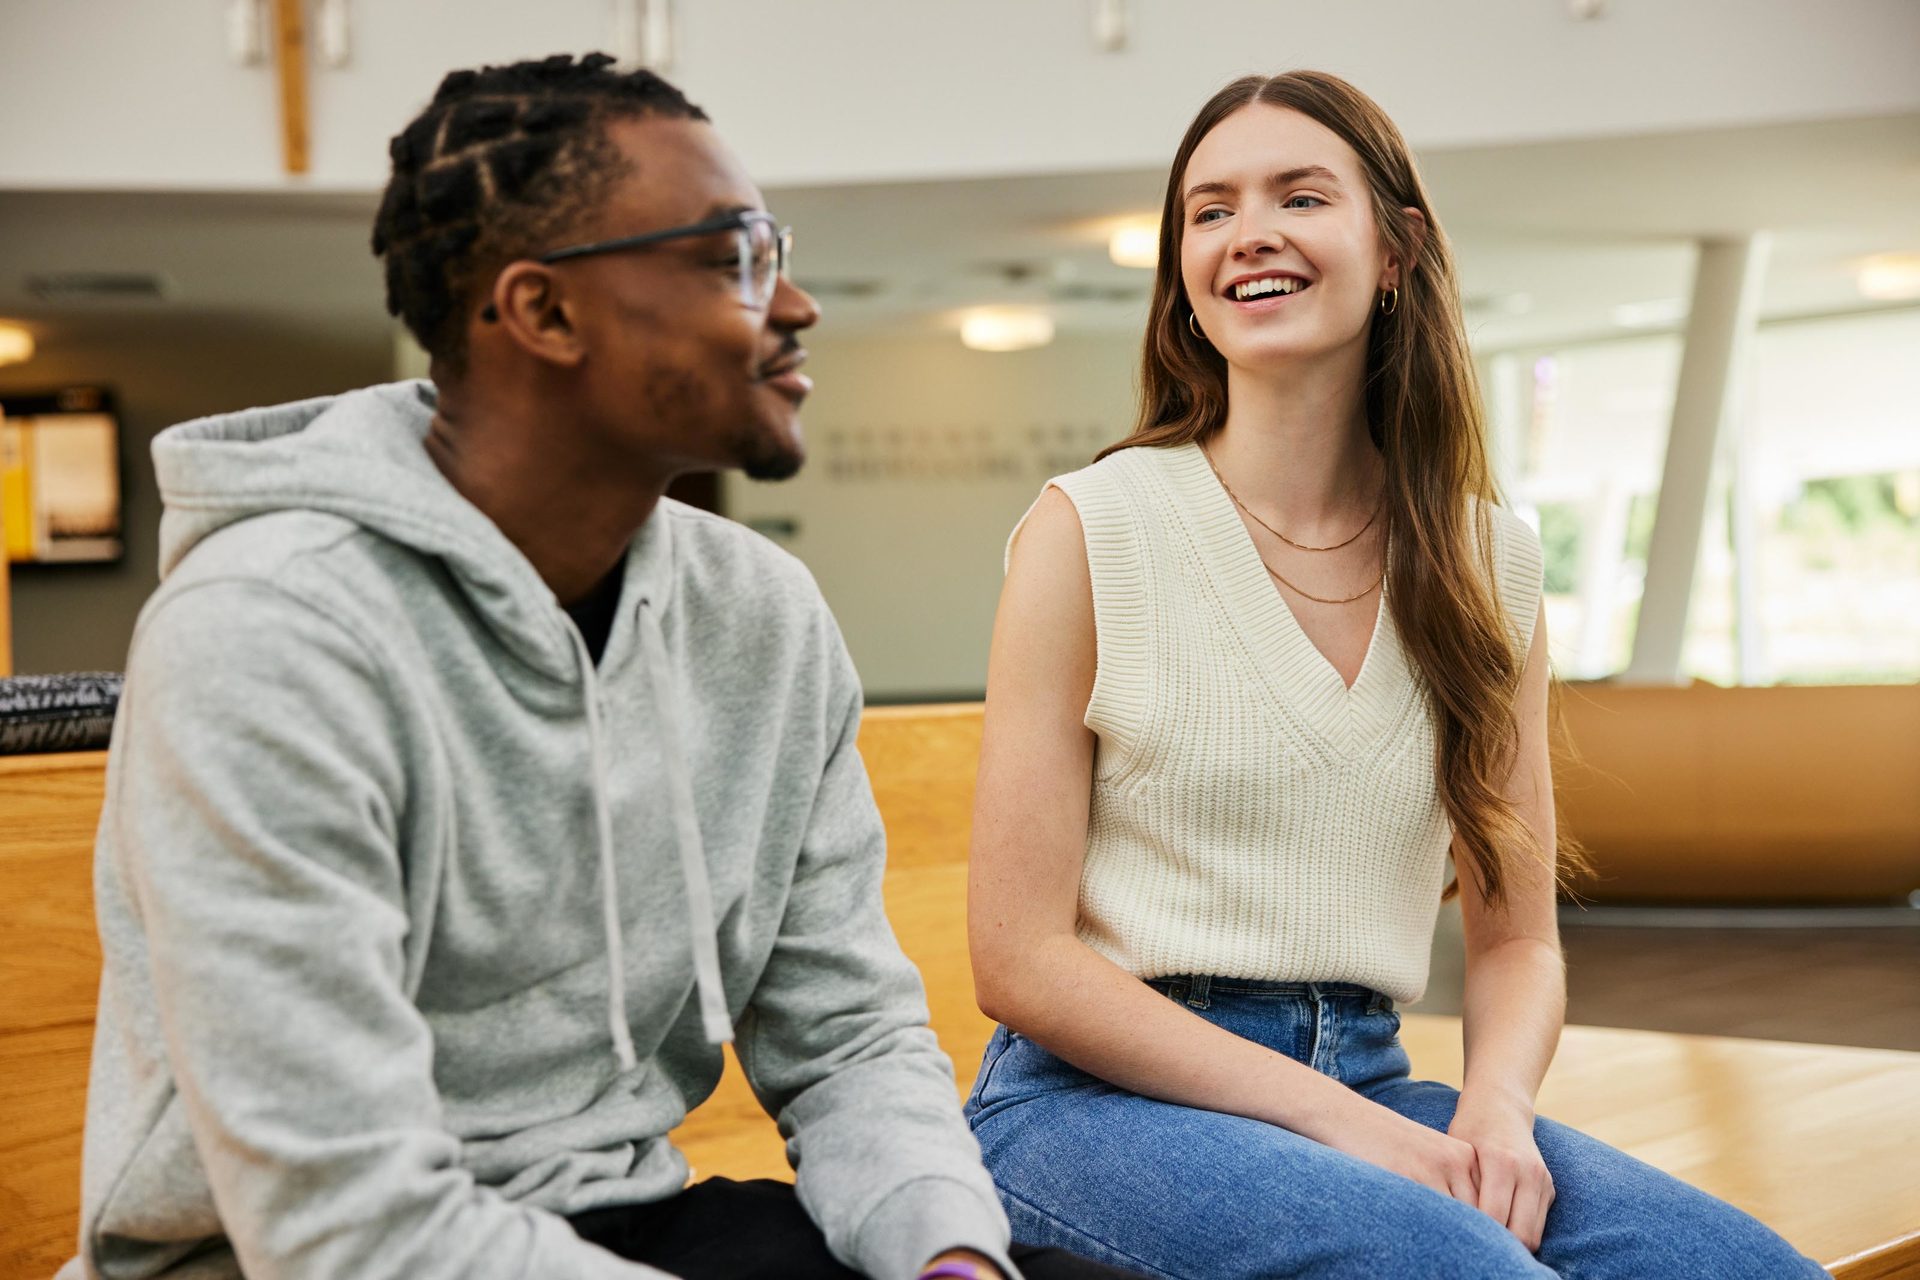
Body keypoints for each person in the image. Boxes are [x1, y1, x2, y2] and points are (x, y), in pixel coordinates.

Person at [65, 54, 1135, 1280]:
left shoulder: (759, 613)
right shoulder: (268, 632)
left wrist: (949, 1254)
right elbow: (340, 1221)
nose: (795, 307)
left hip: (623, 1217)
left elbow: (846, 1039)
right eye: (730, 257)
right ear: (545, 312)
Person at [961, 71, 1827, 1279]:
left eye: (1300, 195)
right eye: (1208, 211)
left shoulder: (1488, 560)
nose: (1247, 231)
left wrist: (1499, 1112)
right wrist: (1352, 1130)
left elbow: (1518, 937)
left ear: (1396, 251)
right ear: (1182, 274)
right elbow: (1020, 958)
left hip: (1369, 1073)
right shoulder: (1089, 528)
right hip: (1090, 1109)